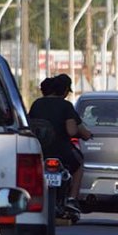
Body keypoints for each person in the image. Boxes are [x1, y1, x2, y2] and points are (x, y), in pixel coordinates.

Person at [28, 74, 92, 210]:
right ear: (64, 91)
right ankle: (71, 199)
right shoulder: (66, 106)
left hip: (39, 151)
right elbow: (72, 131)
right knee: (79, 164)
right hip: (62, 151)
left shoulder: (37, 104)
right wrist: (87, 135)